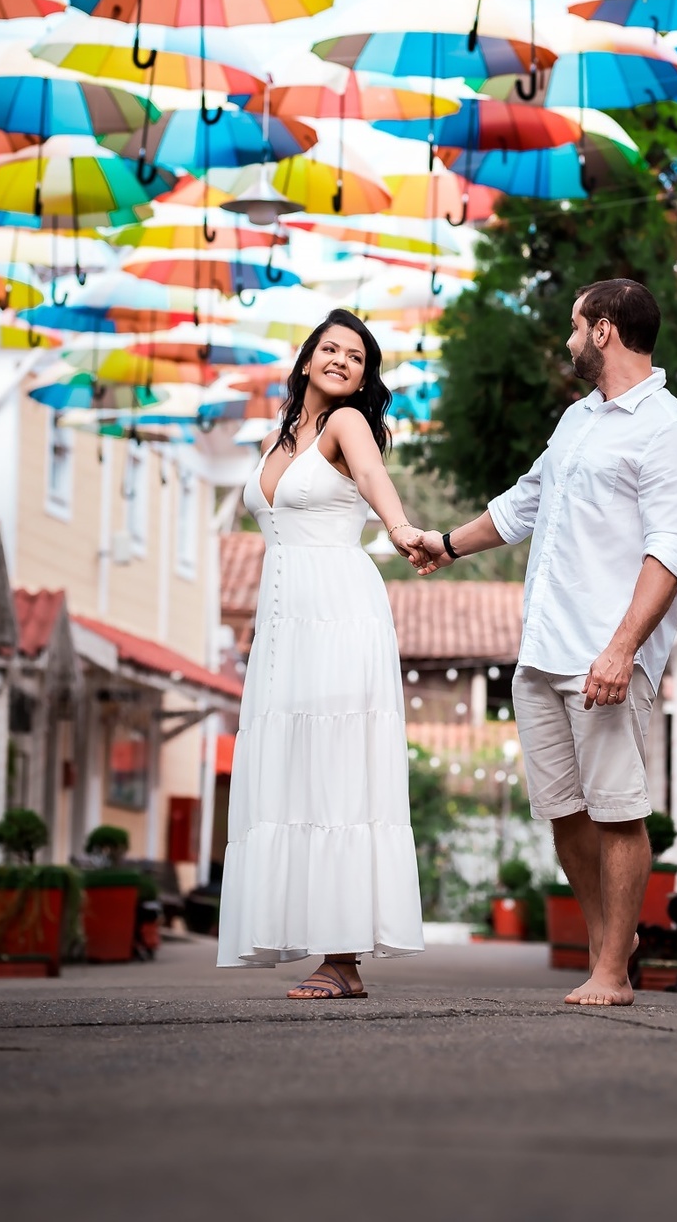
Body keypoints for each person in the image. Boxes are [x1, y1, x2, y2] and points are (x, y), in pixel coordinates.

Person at [411, 280, 677, 1007]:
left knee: (616, 808)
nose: (569, 341)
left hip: (604, 655)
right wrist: (445, 545)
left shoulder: (673, 431)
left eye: (576, 328)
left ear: (605, 331)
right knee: (565, 811)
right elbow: (523, 504)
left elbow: (670, 554)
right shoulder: (578, 421)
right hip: (542, 647)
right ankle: (609, 939)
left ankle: (613, 969)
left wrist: (621, 650)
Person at [217, 308, 426, 997]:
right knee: (295, 771)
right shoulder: (283, 437)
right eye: (330, 349)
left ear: (364, 376)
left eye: (357, 356)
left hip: (338, 610)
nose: (342, 360)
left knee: (335, 769)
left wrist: (399, 529)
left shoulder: (346, 424)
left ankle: (343, 958)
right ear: (307, 360)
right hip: (283, 625)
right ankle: (329, 949)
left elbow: (372, 478)